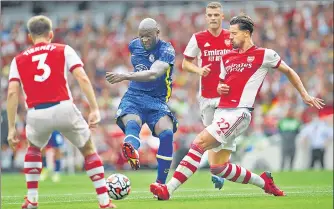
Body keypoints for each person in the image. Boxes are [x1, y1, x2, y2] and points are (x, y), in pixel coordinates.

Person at [150, 14, 325, 200]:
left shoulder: (265, 55)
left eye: (234, 33)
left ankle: (168, 189)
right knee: (218, 167)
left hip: (239, 113)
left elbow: (289, 71)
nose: (230, 37)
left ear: (247, 33)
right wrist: (220, 87)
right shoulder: (227, 58)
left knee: (199, 142)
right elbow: (222, 84)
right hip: (221, 112)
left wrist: (305, 95)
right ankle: (264, 182)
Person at [6, 15, 116, 208]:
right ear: (51, 34)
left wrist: (11, 128)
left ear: (30, 37)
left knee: (33, 149)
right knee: (88, 149)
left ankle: (32, 199)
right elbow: (81, 77)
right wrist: (94, 108)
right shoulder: (64, 50)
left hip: (36, 112)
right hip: (64, 107)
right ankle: (104, 202)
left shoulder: (18, 59)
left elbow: (13, 93)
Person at [106, 18, 178, 186]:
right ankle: (131, 149)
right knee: (133, 123)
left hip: (157, 100)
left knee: (167, 134)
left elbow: (153, 74)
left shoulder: (167, 50)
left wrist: (125, 75)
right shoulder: (134, 45)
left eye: (148, 36)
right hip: (134, 96)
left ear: (157, 33)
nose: (144, 40)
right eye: (141, 36)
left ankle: (160, 184)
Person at [182, 1, 232, 190]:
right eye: (209, 15)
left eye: (216, 15)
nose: (213, 18)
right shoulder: (198, 38)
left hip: (227, 96)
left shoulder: (231, 37)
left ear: (222, 17)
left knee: (223, 133)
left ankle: (218, 170)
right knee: (212, 136)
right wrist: (199, 69)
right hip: (207, 96)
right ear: (206, 17)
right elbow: (185, 64)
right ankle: (219, 168)